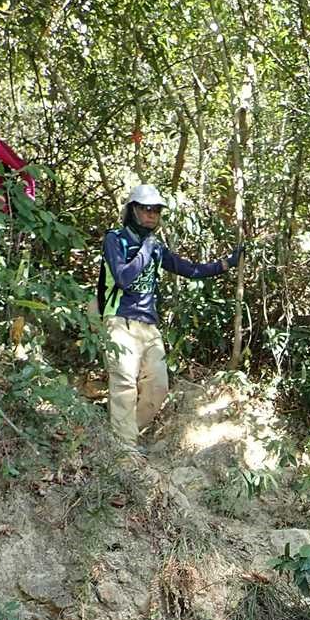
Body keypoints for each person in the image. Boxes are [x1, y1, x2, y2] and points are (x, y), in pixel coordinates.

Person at [98, 184, 242, 451]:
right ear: (132, 210)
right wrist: (146, 248)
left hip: (148, 326)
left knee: (158, 386)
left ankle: (124, 436)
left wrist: (226, 264)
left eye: (156, 210)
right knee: (124, 384)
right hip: (119, 319)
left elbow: (190, 270)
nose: (152, 215)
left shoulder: (155, 247)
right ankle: (124, 449)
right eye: (146, 209)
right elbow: (123, 278)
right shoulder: (115, 239)